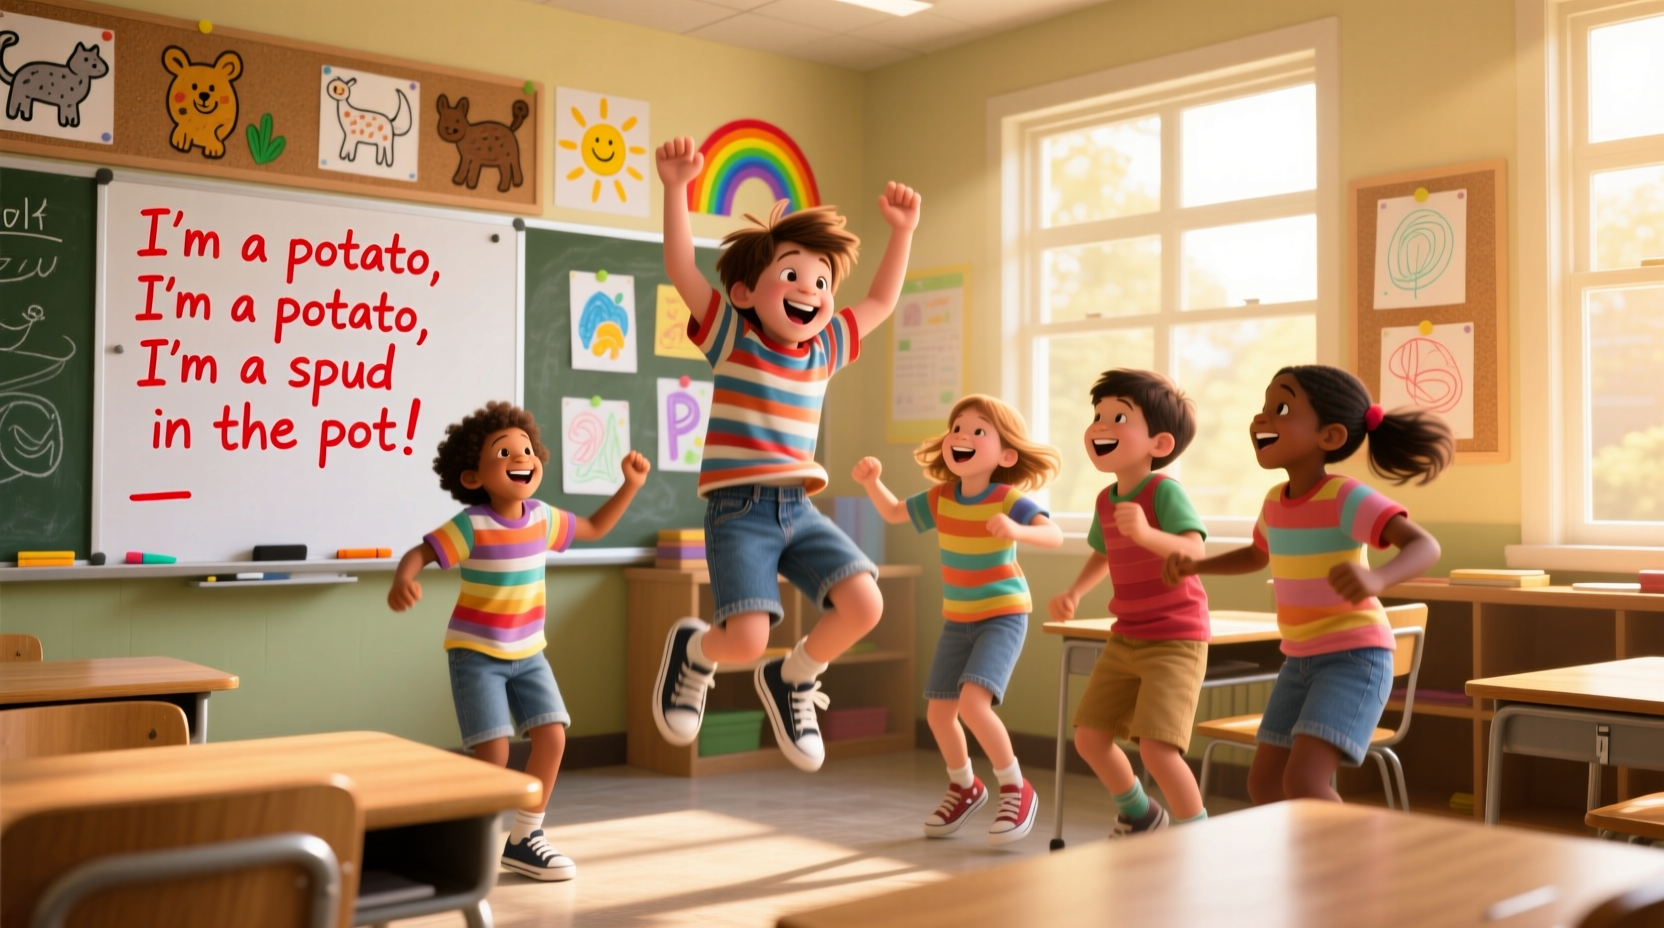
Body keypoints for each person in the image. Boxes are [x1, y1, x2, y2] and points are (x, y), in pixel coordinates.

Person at [650, 136, 921, 772]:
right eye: (792, 275)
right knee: (744, 638)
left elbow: (879, 301)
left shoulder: (825, 348)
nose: (810, 289)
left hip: (798, 507)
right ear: (746, 293)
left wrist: (902, 232)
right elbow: (681, 267)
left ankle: (793, 677)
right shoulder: (731, 335)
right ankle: (696, 654)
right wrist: (674, 189)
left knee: (865, 603)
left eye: (821, 280)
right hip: (738, 511)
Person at [1164, 365, 1451, 804]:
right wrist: (1196, 565)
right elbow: (1258, 554)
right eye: (1263, 407)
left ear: (1330, 437)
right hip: (1298, 663)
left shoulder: (1344, 496)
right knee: (1263, 784)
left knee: (1304, 783)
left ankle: (1354, 869)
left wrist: (1377, 577)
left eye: (1280, 408)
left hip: (1354, 660)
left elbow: (1424, 546)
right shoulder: (1275, 502)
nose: (1261, 419)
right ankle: (1301, 869)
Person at [388, 401, 649, 880]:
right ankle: (467, 839)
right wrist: (403, 578)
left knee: (552, 737)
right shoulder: (471, 525)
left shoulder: (543, 518)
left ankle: (525, 837)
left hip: (530, 653)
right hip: (476, 655)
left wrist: (628, 486)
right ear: (472, 477)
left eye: (526, 449)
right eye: (504, 452)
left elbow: (593, 528)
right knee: (494, 754)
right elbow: (419, 553)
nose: (521, 458)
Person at [853, 394, 1062, 844]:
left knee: (972, 704)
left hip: (1002, 616)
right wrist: (873, 482)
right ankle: (965, 786)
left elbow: (1054, 534)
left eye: (978, 431)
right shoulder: (942, 497)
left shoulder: (1008, 498)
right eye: (957, 429)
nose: (962, 437)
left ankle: (1016, 788)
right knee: (938, 713)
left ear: (1006, 454)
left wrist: (1017, 529)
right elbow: (893, 513)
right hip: (958, 619)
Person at [1049, 369, 1211, 836]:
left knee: (1158, 750)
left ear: (1159, 444)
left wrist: (1146, 532)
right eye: (1098, 415)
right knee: (1090, 738)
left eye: (1118, 417)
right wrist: (1075, 591)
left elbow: (1194, 551)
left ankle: (1200, 837)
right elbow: (1105, 552)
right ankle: (1142, 815)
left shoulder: (1164, 492)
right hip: (1127, 636)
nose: (1101, 425)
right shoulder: (1107, 499)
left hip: (1176, 637)